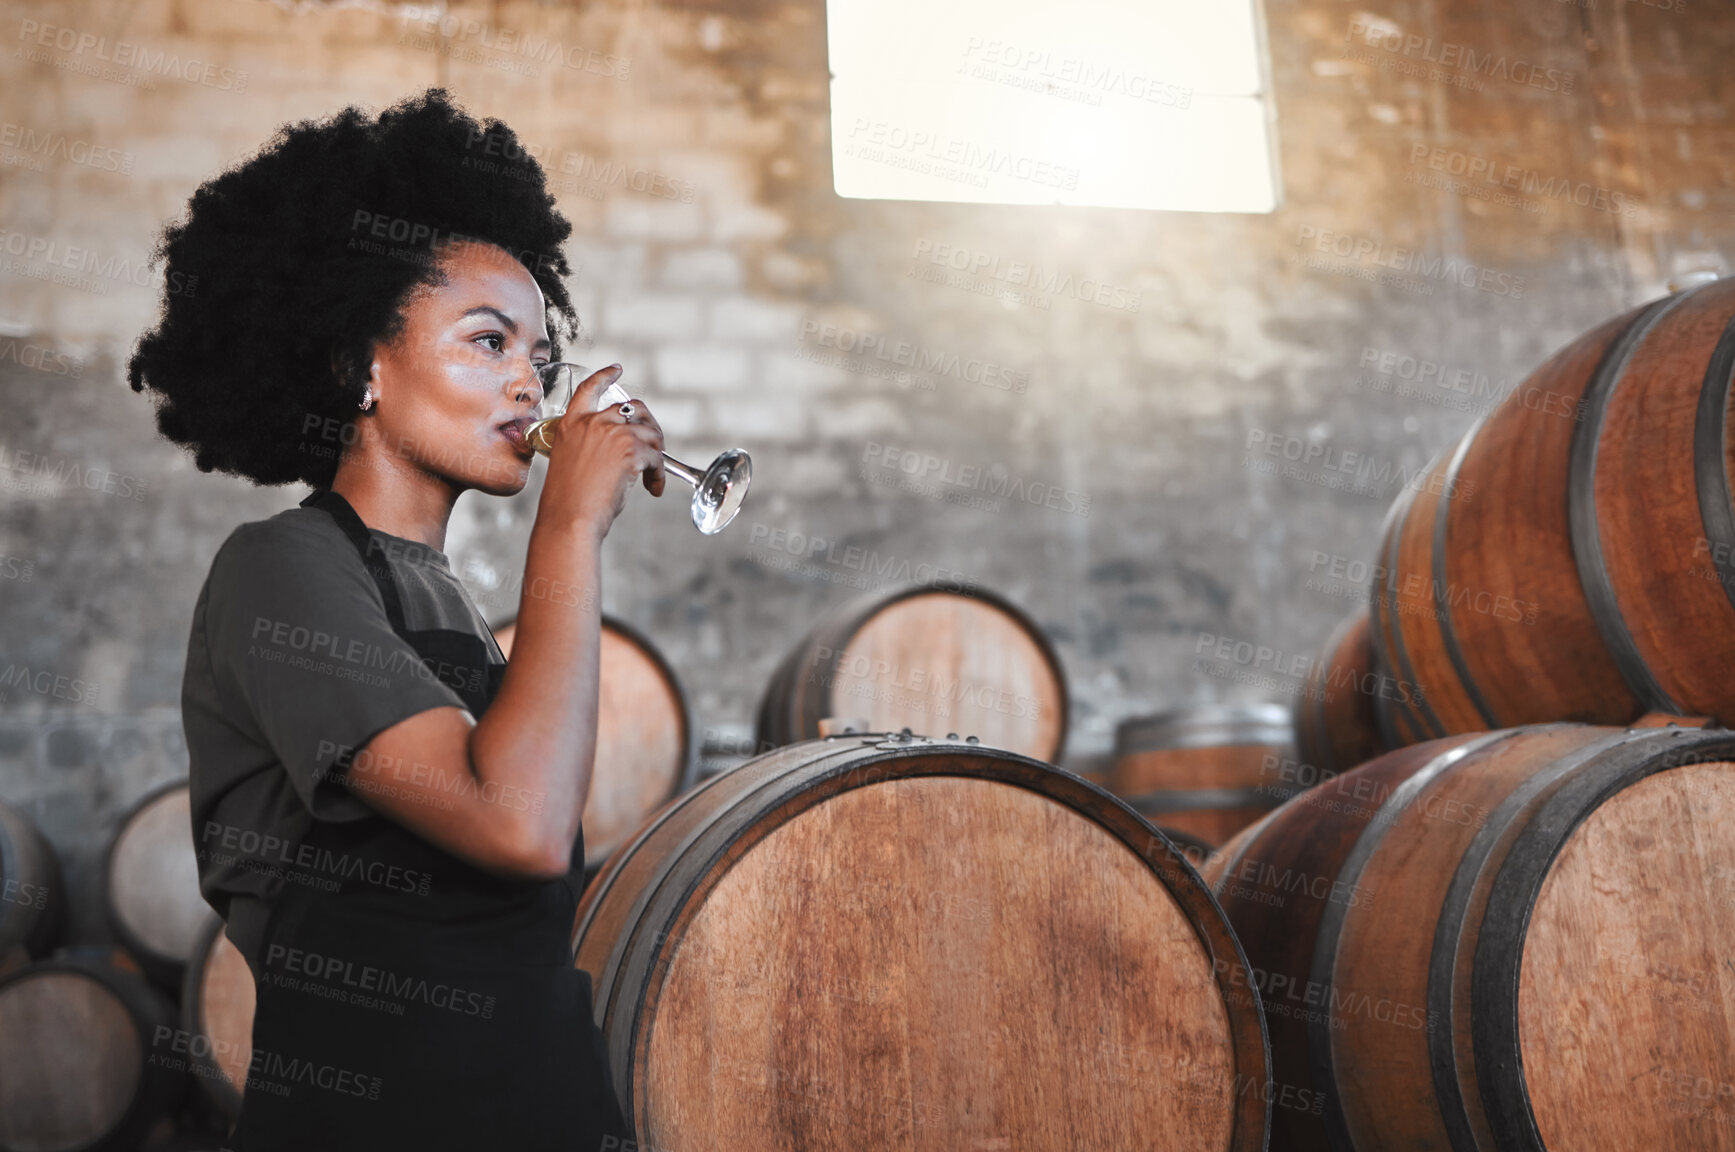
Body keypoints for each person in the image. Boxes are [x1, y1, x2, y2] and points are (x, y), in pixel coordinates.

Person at [128, 88, 663, 1151]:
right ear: (358, 368)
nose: (529, 383)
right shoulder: (280, 569)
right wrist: (566, 534)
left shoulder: (446, 598)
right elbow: (517, 825)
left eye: (539, 355)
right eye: (486, 341)